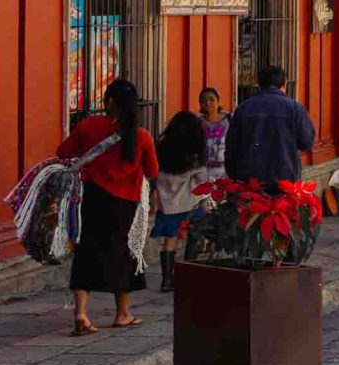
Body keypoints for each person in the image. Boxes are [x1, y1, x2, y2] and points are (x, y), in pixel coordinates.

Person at [56, 80, 157, 335]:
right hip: (125, 204)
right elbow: (153, 171)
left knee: (87, 252)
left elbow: (63, 151)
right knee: (123, 255)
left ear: (109, 102)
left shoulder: (88, 125)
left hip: (92, 199)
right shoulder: (141, 136)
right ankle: (123, 314)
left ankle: (80, 313)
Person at [224, 66, 316, 188]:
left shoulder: (243, 109)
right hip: (284, 181)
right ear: (284, 84)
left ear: (259, 83)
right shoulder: (295, 109)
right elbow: (307, 142)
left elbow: (232, 148)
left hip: (250, 183)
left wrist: (235, 176)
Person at [152, 110, 205, 294]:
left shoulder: (160, 152)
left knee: (170, 239)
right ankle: (189, 275)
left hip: (167, 206)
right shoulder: (194, 157)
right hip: (190, 204)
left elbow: (153, 174)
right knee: (194, 237)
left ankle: (167, 280)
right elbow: (202, 181)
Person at [197, 87, 230, 181]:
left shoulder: (229, 120)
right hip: (204, 175)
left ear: (218, 102)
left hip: (225, 174)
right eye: (204, 100)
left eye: (211, 99)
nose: (208, 103)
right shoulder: (197, 123)